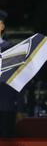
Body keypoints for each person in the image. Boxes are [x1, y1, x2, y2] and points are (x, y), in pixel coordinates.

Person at [0, 10, 25, 138]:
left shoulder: (12, 49)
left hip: (6, 106)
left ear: (2, 26)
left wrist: (20, 108)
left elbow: (19, 79)